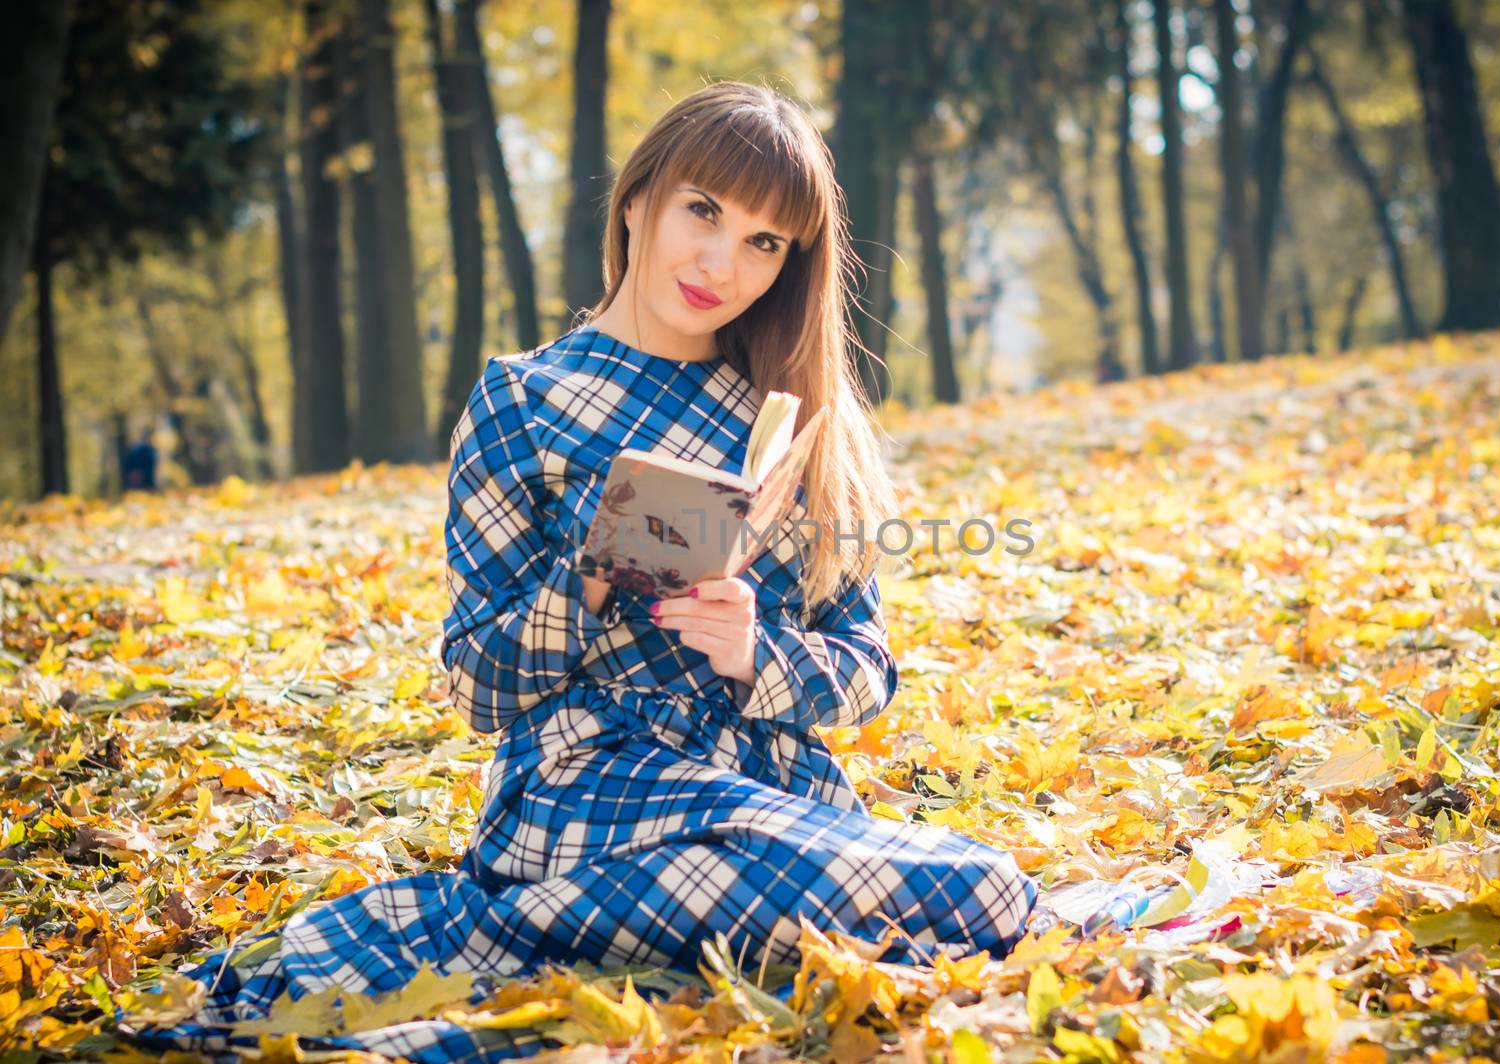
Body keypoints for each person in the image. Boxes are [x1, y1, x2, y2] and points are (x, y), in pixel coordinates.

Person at [121, 80, 1039, 1064]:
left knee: (983, 893)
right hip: (587, 790)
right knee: (983, 895)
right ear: (639, 200)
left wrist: (753, 650)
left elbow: (865, 668)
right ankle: (538, 919)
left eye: (764, 242)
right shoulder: (523, 399)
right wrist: (596, 574)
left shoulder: (792, 414)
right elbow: (479, 683)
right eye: (704, 213)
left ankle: (551, 931)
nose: (722, 263)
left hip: (764, 797)